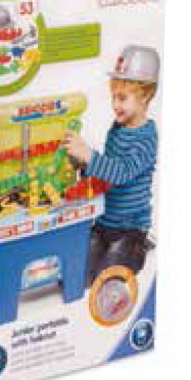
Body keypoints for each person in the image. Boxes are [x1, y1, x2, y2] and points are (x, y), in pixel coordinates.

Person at [63, 45, 160, 285]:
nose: (115, 104)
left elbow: (121, 173)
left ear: (145, 95)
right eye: (113, 97)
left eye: (122, 98)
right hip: (104, 222)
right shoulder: (116, 129)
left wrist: (89, 155)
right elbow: (105, 173)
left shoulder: (146, 138)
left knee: (107, 279)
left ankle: (140, 247)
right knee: (77, 275)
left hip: (129, 229)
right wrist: (83, 165)